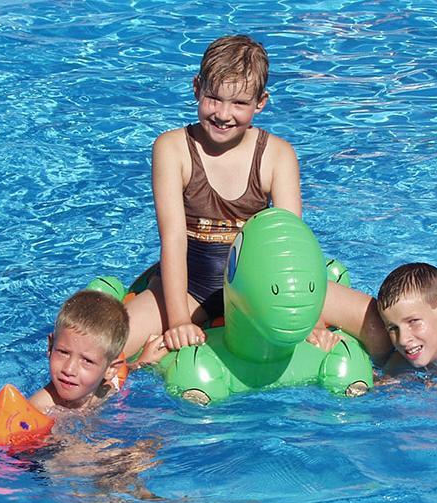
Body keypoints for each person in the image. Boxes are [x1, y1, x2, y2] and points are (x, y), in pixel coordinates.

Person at [123, 34, 392, 365]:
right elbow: (174, 237)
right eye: (213, 98)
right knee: (110, 345)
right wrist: (178, 319)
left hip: (263, 288)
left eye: (239, 103)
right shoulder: (173, 148)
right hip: (192, 286)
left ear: (260, 102)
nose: (223, 114)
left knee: (380, 329)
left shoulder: (277, 155)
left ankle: (391, 383)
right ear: (196, 88)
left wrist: (304, 318)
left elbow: (290, 244)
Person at [29, 289, 130, 412]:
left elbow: (118, 380)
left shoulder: (103, 389)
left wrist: (142, 362)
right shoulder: (39, 409)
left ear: (110, 369)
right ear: (50, 347)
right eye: (63, 352)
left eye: (87, 360)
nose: (69, 369)